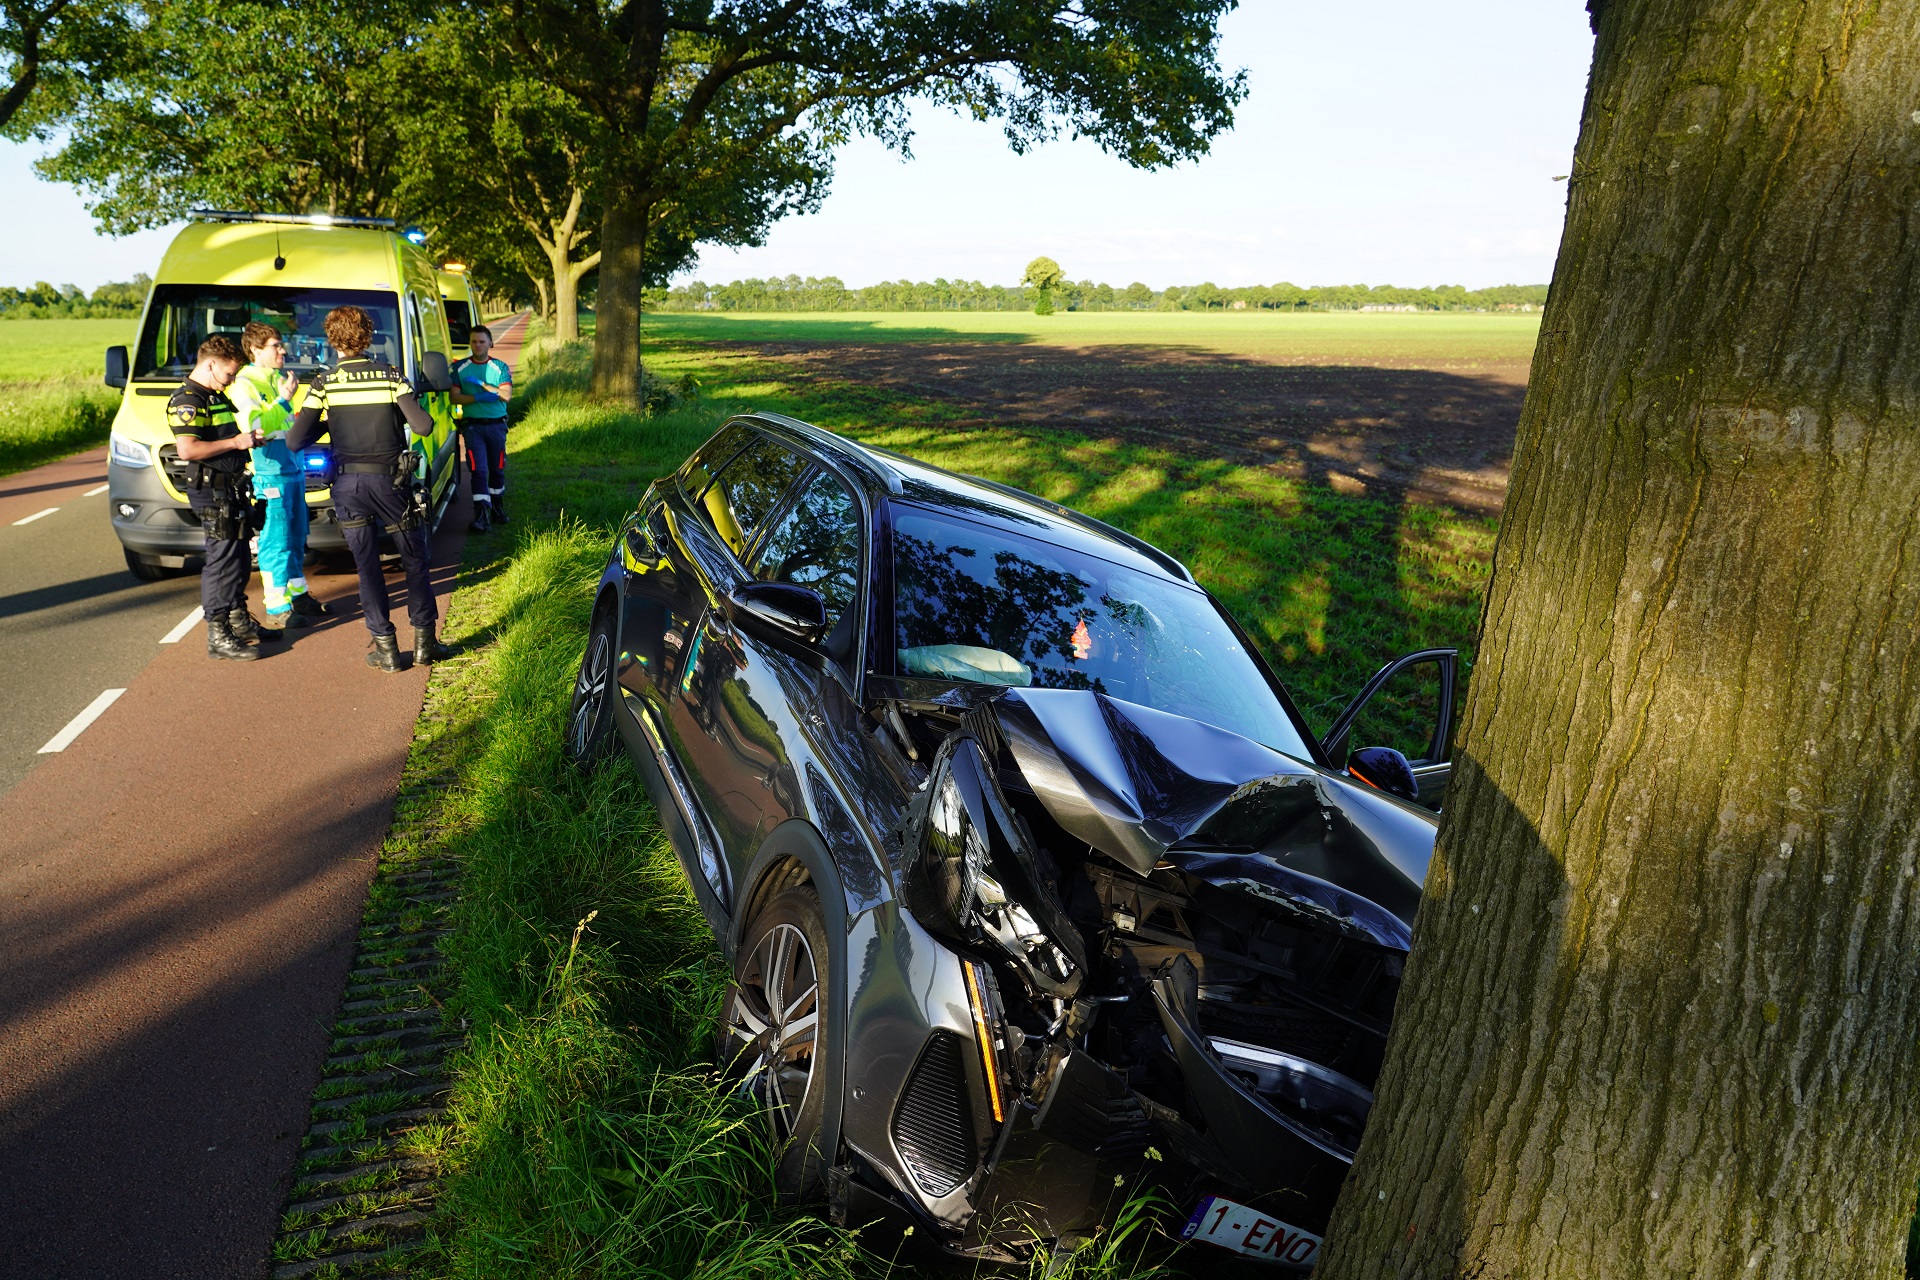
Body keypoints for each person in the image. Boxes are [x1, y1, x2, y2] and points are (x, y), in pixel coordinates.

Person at [285, 306, 452, 672]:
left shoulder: (323, 383)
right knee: (414, 562)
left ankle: (387, 650)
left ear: (332, 340)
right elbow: (422, 426)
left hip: (348, 486)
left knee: (367, 567)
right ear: (368, 336)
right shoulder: (392, 377)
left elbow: (296, 440)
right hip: (391, 484)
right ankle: (426, 644)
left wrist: (330, 423)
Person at [168, 334, 278, 661]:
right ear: (211, 364)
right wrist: (236, 444)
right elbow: (188, 449)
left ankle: (238, 619)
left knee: (239, 557)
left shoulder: (215, 395)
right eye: (229, 374)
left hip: (231, 488)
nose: (231, 381)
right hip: (211, 490)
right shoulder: (188, 399)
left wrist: (248, 440)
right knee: (221, 560)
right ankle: (218, 634)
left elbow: (229, 436)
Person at [229, 322, 332, 628]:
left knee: (298, 535)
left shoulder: (278, 378)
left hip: (293, 468)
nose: (283, 350)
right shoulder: (245, 383)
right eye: (275, 345)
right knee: (276, 539)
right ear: (255, 350)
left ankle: (298, 595)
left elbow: (289, 423)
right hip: (269, 470)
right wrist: (285, 400)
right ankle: (277, 606)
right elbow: (255, 425)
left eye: (280, 344)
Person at [451, 323, 512, 533]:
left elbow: (506, 395)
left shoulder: (500, 368)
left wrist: (481, 384)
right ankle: (481, 515)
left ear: (490, 344)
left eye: (482, 342)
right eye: (474, 342)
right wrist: (476, 398)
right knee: (478, 470)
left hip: (496, 426)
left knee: (497, 470)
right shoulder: (459, 368)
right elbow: (453, 397)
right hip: (473, 428)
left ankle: (497, 508)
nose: (478, 346)